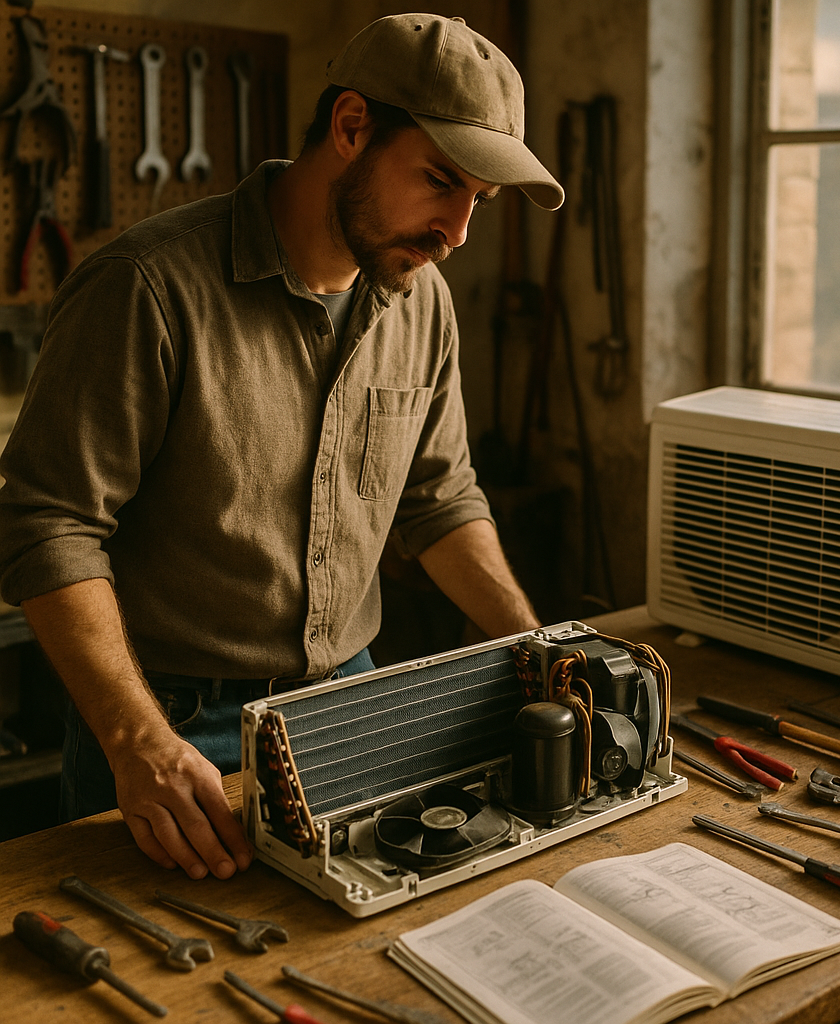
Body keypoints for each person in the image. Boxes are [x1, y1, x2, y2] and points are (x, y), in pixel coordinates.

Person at [0, 14, 563, 881]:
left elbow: (438, 498)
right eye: (440, 181)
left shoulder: (423, 301)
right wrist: (134, 738)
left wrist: (539, 647)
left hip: (351, 703)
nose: (454, 231)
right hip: (175, 725)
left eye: (478, 203)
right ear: (350, 127)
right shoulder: (146, 289)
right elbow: (48, 525)